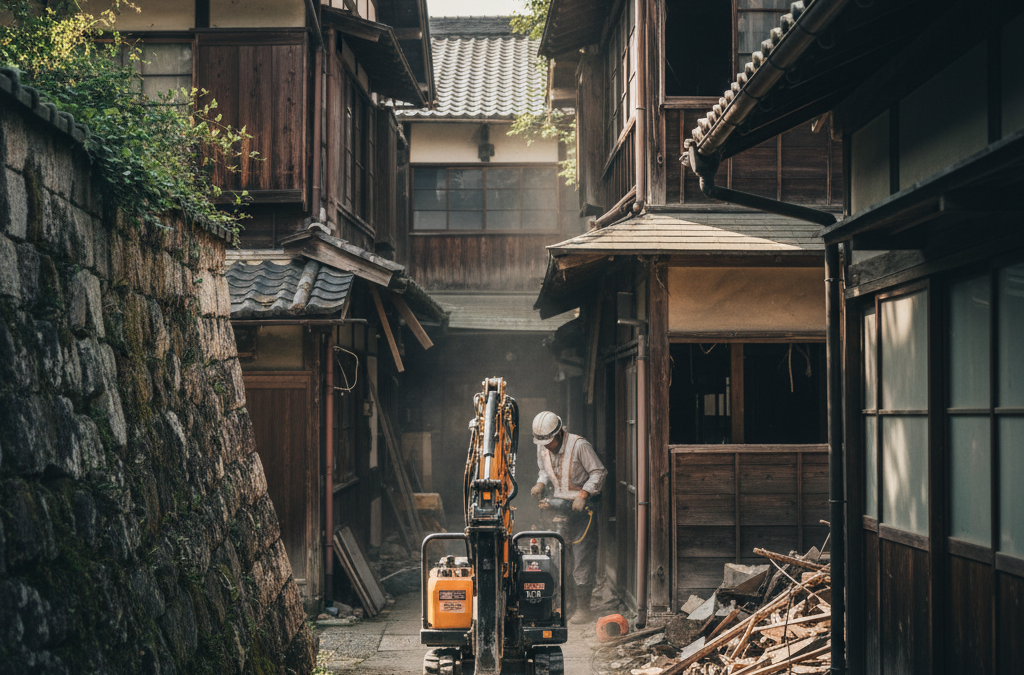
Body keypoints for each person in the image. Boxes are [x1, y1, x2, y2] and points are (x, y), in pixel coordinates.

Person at [529, 411, 607, 623]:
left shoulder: (579, 445)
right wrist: (541, 482)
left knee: (582, 556)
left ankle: (583, 608)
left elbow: (599, 472)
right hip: (559, 507)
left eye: (550, 442)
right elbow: (543, 470)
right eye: (543, 442)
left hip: (582, 509)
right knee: (559, 557)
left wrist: (584, 494)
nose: (546, 446)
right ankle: (565, 604)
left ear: (560, 433)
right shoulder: (543, 446)